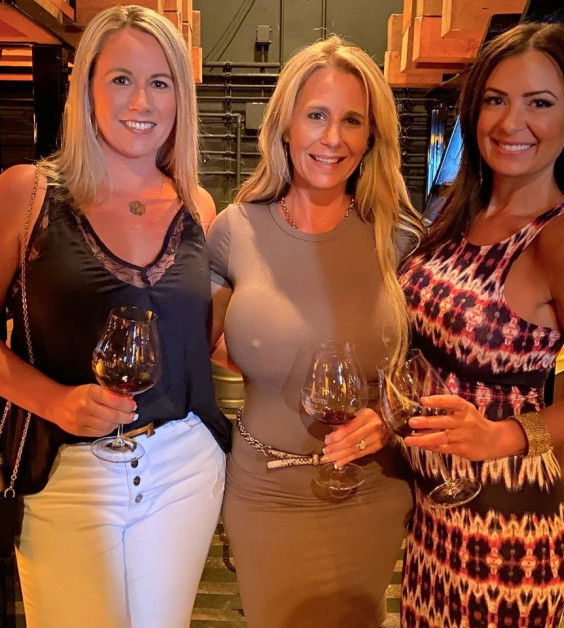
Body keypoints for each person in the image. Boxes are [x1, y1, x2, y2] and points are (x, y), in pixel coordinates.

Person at [0, 6, 230, 627]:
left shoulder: (197, 204)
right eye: (121, 79)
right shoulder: (26, 194)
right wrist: (53, 400)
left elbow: (204, 339)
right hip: (68, 470)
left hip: (183, 466)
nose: (142, 101)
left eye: (160, 82)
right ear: (87, 87)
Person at [398, 22, 564, 628]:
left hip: (506, 533)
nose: (510, 122)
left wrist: (504, 436)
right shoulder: (458, 209)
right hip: (434, 515)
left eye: (540, 103)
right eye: (496, 100)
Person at [207, 35, 423, 627]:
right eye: (317, 116)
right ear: (284, 126)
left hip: (369, 489)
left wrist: (390, 415)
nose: (333, 138)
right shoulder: (233, 230)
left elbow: (428, 367)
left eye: (353, 120)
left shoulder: (398, 237)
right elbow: (187, 342)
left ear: (372, 136)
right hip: (265, 488)